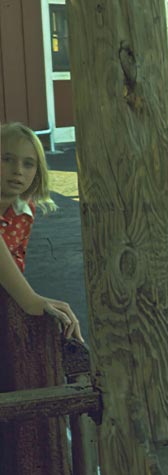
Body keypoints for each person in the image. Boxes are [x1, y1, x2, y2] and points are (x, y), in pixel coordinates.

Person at [0, 122, 83, 342]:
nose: (17, 170)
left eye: (28, 164)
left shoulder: (24, 211)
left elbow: (13, 266)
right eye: (6, 159)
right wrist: (30, 300)